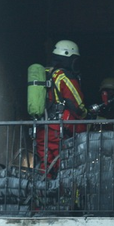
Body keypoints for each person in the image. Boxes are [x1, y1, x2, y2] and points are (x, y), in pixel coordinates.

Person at [38, 40, 89, 174]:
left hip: (42, 128)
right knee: (65, 167)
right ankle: (63, 194)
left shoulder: (45, 73)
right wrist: (86, 114)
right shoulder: (64, 76)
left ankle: (43, 193)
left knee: (46, 166)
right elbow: (77, 103)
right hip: (60, 130)